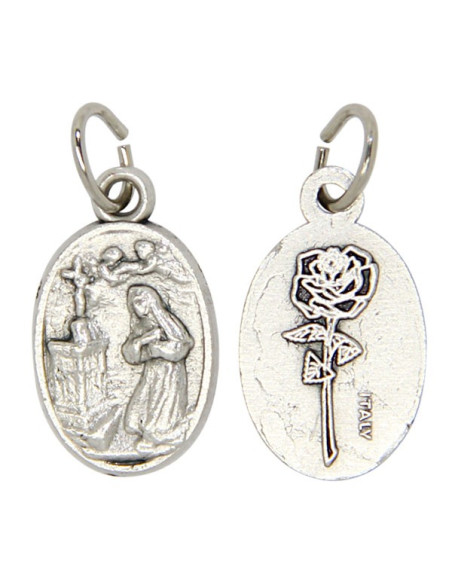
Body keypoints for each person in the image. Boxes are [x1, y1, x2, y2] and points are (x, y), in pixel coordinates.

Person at [122, 285, 194, 455]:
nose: (138, 307)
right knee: (145, 405)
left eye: (141, 302)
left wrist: (157, 349)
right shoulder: (141, 326)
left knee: (163, 405)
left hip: (169, 374)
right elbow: (131, 354)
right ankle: (147, 433)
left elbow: (183, 344)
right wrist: (142, 341)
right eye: (135, 303)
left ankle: (160, 435)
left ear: (151, 302)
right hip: (152, 373)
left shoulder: (167, 321)